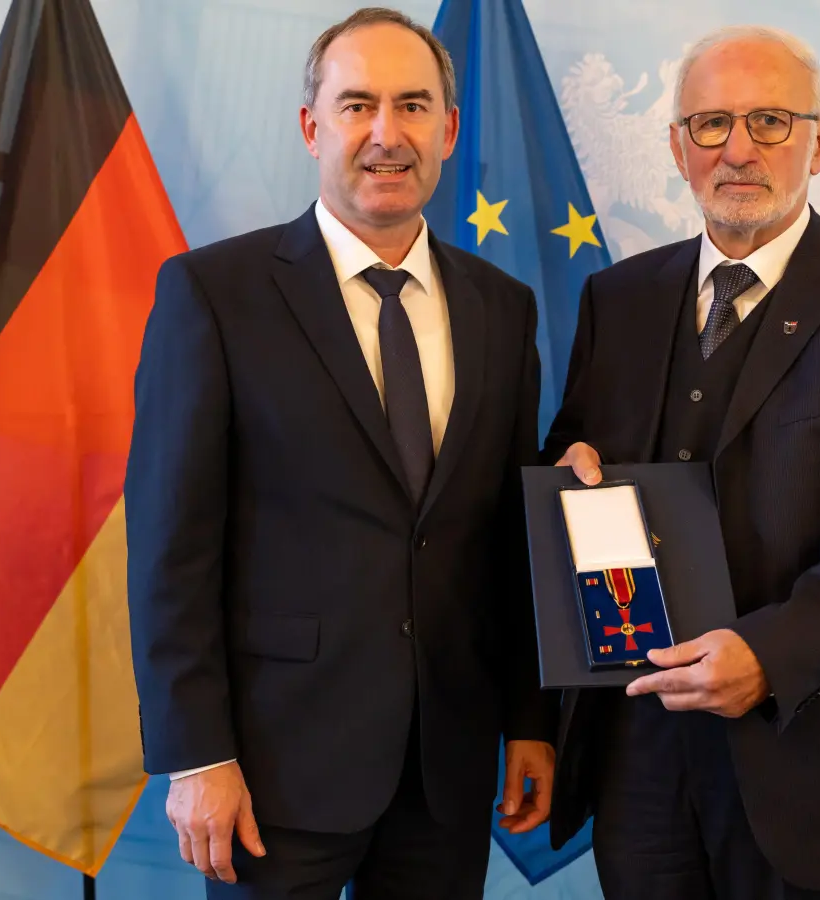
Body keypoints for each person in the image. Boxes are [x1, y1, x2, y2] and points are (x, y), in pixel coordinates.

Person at [123, 8, 557, 898]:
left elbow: (505, 539)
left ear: (449, 128)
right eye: (357, 105)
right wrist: (197, 753)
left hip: (448, 765)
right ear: (311, 126)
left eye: (411, 106)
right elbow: (171, 546)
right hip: (274, 768)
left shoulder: (502, 308)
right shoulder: (214, 294)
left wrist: (530, 720)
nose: (386, 135)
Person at [542, 24, 820, 900]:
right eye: (710, 124)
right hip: (638, 749)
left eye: (771, 121)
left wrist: (766, 654)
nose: (738, 149)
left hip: (806, 737)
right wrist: (568, 466)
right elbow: (577, 459)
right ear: (676, 146)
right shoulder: (616, 298)